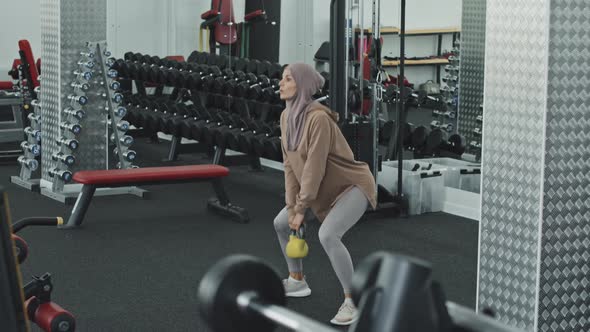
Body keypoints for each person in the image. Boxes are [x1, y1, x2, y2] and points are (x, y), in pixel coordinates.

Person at [273, 62, 377, 326]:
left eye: (287, 79)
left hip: (350, 187)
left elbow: (314, 168)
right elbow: (290, 167)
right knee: (281, 224)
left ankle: (353, 300)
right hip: (319, 190)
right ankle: (297, 280)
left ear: (303, 85)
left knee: (328, 235)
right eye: (281, 79)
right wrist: (293, 208)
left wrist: (302, 206)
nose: (281, 84)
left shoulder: (318, 119)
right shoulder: (286, 118)